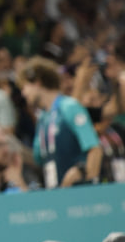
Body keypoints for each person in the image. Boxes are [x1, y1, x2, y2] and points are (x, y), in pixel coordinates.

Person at [21, 56, 102, 188]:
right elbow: (39, 159)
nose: (23, 93)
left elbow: (95, 149)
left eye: (24, 87)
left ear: (37, 82)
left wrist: (89, 182)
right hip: (56, 195)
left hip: (78, 194)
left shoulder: (69, 107)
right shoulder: (42, 119)